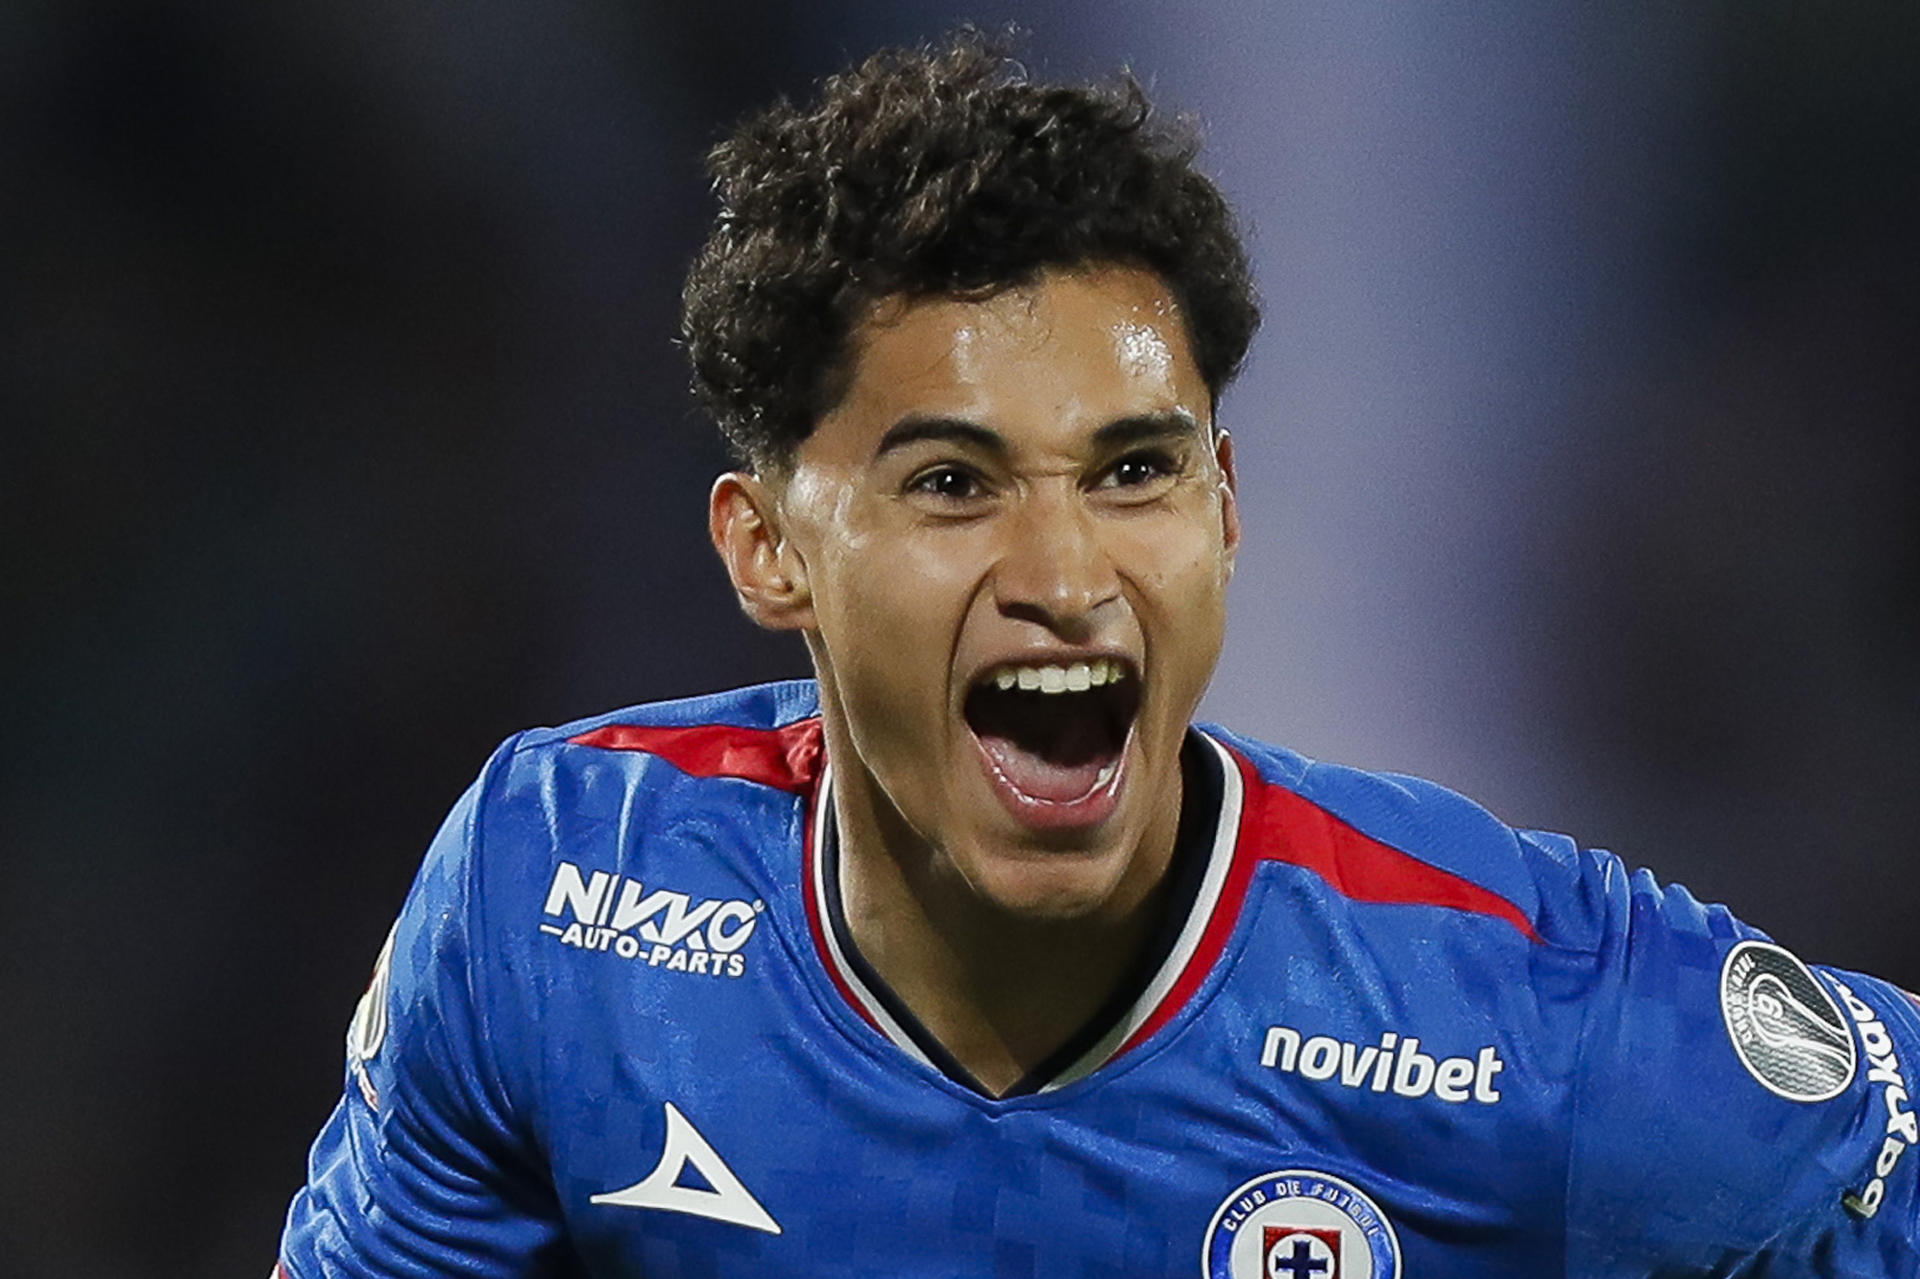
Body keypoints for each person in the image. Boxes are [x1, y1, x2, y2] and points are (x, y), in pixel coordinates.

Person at [276, 32, 1920, 1279]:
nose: (1067, 576)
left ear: (1226, 510)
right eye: (952, 484)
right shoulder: (556, 903)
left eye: (1134, 472)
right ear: (769, 549)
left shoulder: (1523, 1013)